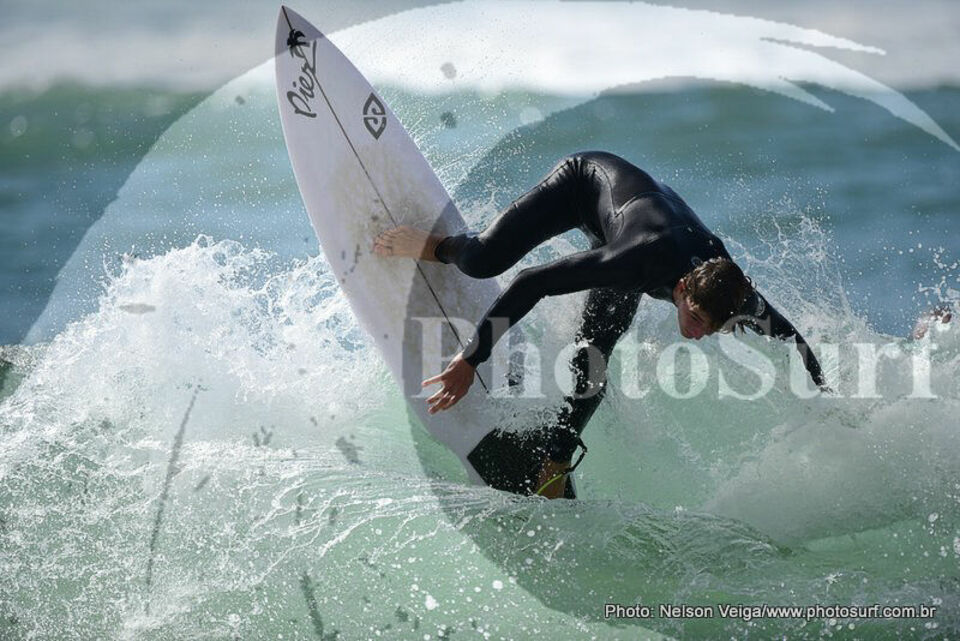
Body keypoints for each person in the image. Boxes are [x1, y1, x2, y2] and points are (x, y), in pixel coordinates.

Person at [373, 151, 825, 498]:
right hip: (584, 184)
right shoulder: (637, 260)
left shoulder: (734, 296)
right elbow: (533, 283)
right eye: (696, 319)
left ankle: (555, 458)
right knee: (483, 260)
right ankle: (436, 244)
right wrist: (470, 360)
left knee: (594, 354)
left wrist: (824, 398)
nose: (699, 333)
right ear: (684, 288)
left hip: (640, 224)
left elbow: (797, 343)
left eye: (712, 328)